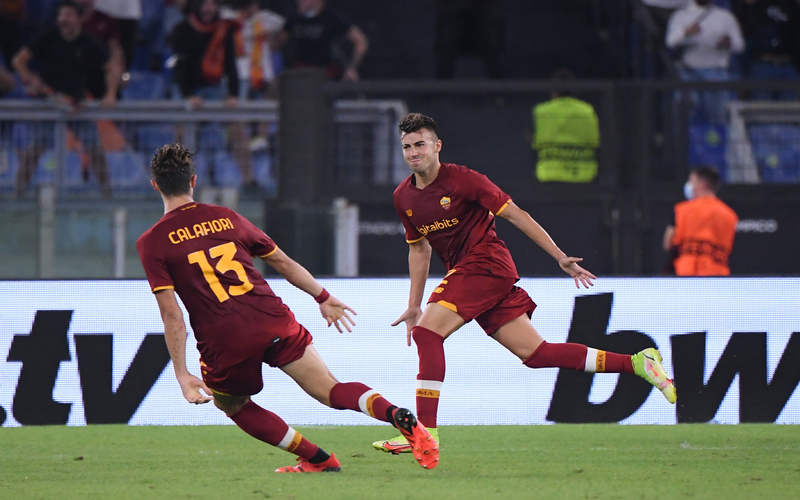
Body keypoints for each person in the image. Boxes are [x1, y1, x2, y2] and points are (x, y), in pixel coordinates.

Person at [373, 113, 677, 455]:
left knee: (428, 334)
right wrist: (414, 304)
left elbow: (517, 215)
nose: (414, 152)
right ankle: (639, 363)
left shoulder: (465, 180)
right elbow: (419, 250)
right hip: (472, 275)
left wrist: (559, 256)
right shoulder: (404, 197)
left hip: (486, 264)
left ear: (436, 146)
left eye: (420, 144)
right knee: (536, 354)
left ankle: (424, 433)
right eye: (407, 147)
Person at [136, 143, 438, 472]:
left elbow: (172, 315)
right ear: (193, 181)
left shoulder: (152, 242)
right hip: (271, 318)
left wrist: (181, 374)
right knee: (330, 390)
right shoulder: (225, 217)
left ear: (155, 186)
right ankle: (395, 414)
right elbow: (281, 261)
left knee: (233, 404)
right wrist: (322, 297)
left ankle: (318, 458)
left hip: (225, 339)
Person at [12, 0, 114, 195]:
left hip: (77, 104)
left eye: (67, 15)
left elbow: (109, 68)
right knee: (34, 150)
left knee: (95, 150)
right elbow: (19, 61)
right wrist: (31, 80)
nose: (62, 19)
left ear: (78, 19)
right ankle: (18, 193)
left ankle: (107, 194)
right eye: (60, 15)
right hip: (49, 103)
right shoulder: (47, 38)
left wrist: (110, 94)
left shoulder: (89, 43)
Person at [665, 0, 745, 124]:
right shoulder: (681, 15)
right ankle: (685, 143)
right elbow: (670, 42)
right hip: (689, 72)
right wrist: (685, 33)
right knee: (685, 117)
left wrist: (728, 43)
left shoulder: (725, 16)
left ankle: (717, 142)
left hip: (716, 72)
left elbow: (740, 46)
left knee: (718, 117)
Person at [663, 166, 738, 276]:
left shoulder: (682, 210)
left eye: (691, 181)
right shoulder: (730, 216)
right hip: (718, 277)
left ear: (702, 184)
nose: (688, 185)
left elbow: (667, 244)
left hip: (685, 275)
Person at [531, 69, 600, 183]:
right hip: (584, 176)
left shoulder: (541, 111)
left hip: (549, 175)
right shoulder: (587, 111)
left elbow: (532, 138)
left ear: (553, 91)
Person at [169, 0, 239, 106]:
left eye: (212, 5)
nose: (208, 9)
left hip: (213, 87)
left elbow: (230, 63)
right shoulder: (181, 30)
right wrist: (188, 96)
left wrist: (233, 94)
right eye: (205, 4)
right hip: (185, 87)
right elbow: (179, 65)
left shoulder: (224, 29)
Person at [277, 0, 368, 81]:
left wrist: (352, 68)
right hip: (300, 75)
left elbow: (361, 41)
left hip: (327, 75)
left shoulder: (332, 18)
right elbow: (276, 44)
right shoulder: (294, 19)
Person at [733, 0, 800, 101]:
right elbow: (747, 40)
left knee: (789, 112)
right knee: (762, 111)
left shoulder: (793, 6)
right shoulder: (754, 7)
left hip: (788, 66)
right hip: (762, 65)